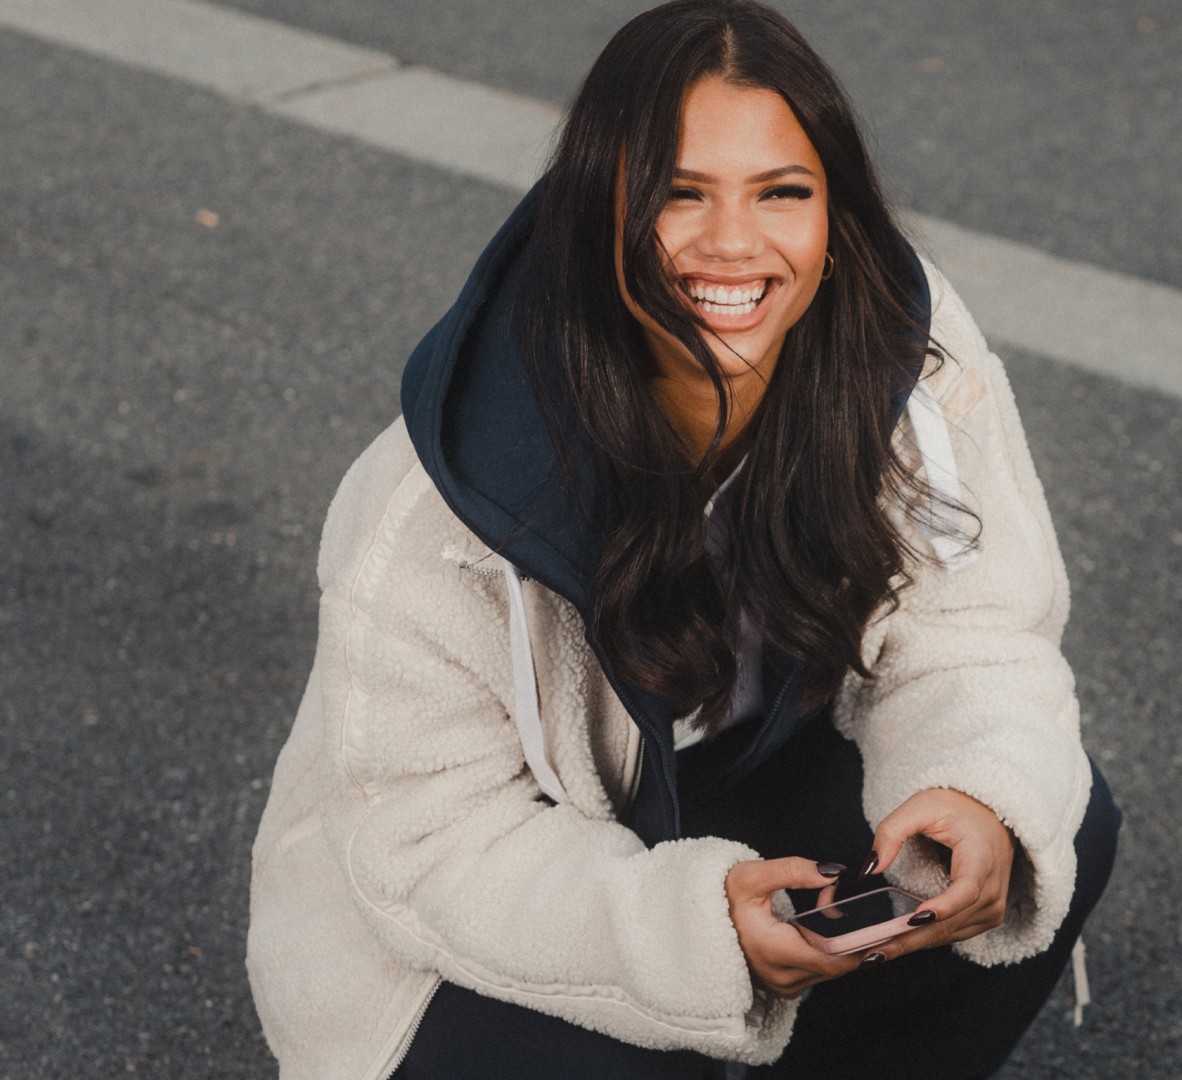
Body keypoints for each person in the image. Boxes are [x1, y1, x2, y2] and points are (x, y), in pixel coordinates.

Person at [244, 2, 1120, 1077]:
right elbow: (434, 843)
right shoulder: (445, 489)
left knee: (1047, 821)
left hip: (720, 783)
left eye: (782, 193)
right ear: (594, 215)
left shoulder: (906, 350)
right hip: (467, 907)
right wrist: (694, 934)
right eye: (678, 196)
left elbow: (976, 632)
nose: (733, 245)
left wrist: (973, 792)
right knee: (637, 1045)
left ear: (835, 218)